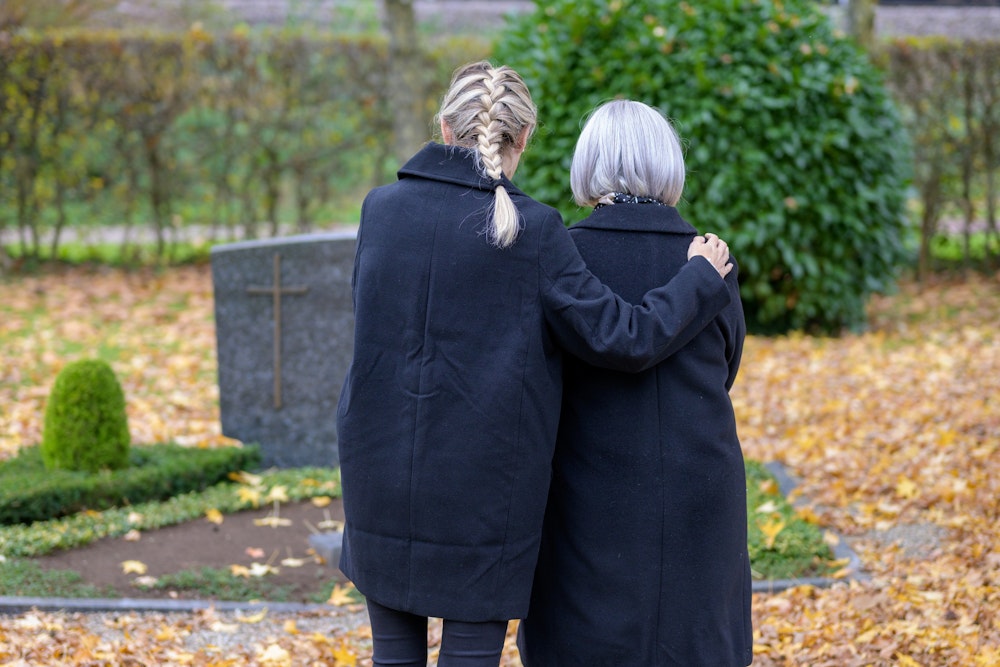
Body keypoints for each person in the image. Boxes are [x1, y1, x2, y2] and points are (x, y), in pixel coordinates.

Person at [336, 63, 734, 667]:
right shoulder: (534, 230)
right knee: (470, 652)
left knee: (393, 651)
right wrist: (701, 280)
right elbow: (624, 339)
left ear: (443, 124)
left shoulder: (380, 210)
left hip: (379, 467)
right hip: (483, 484)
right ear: (521, 141)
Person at [517, 100, 752, 666]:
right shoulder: (711, 260)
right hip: (701, 486)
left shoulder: (562, 256)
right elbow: (727, 366)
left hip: (588, 493)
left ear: (588, 165)